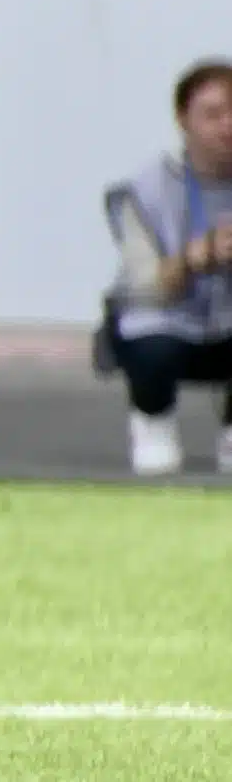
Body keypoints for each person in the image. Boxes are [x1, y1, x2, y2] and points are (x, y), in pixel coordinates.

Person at [104, 60, 232, 475]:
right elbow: (142, 284)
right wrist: (193, 260)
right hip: (168, 320)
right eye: (212, 115)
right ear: (183, 120)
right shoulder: (145, 188)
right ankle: (152, 420)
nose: (227, 127)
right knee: (150, 341)